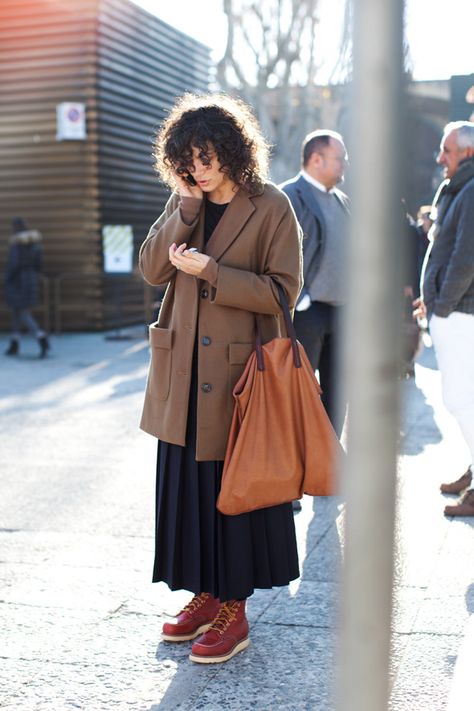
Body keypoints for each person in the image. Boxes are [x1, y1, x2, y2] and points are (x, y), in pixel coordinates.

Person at [138, 93, 302, 664]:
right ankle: (207, 594)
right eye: (188, 159)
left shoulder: (272, 206)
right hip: (182, 377)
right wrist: (183, 205)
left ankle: (236, 606)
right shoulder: (187, 201)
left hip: (240, 381)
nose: (199, 169)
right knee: (191, 491)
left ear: (233, 151)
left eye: (206, 158)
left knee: (235, 494)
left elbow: (283, 293)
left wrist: (213, 271)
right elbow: (152, 268)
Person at [414, 121, 474, 516]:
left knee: (460, 399)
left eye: (447, 151)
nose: (440, 158)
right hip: (452, 310)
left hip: (461, 313)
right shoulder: (460, 188)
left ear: (467, 152)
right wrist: (430, 298)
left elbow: (465, 257)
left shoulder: (470, 190)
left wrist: (442, 304)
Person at [280, 130, 350, 437]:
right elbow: (278, 252)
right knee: (299, 389)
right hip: (306, 312)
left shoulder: (342, 199)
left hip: (341, 311)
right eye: (340, 158)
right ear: (316, 159)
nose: (345, 164)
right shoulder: (287, 197)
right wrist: (302, 296)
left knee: (338, 388)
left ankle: (329, 457)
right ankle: (297, 457)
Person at [4, 217, 50, 358]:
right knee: (16, 313)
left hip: (17, 282)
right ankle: (14, 343)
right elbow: (39, 264)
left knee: (22, 313)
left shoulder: (16, 245)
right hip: (30, 280)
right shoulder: (35, 244)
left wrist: (7, 279)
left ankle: (41, 337)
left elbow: (13, 264)